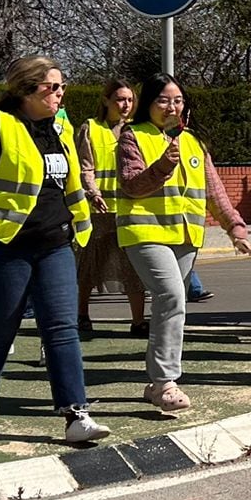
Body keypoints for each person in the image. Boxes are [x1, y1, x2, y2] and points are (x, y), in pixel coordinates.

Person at [0, 55, 107, 443]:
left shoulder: (59, 128)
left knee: (61, 328)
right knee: (1, 327)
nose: (60, 94)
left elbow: (66, 183)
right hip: (5, 246)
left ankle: (76, 414)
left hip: (55, 244)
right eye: (53, 87)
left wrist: (79, 225)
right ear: (28, 89)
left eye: (62, 86)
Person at [114, 72, 251, 413]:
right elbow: (131, 185)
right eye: (163, 100)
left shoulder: (192, 142)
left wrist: (235, 227)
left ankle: (155, 383)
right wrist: (162, 166)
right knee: (171, 296)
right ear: (149, 104)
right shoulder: (132, 136)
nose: (171, 107)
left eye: (177, 100)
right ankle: (165, 382)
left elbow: (214, 190)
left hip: (186, 237)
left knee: (172, 305)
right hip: (145, 234)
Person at [75, 78, 149, 337]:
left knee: (133, 268)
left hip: (130, 210)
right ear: (106, 101)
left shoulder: (138, 130)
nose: (125, 105)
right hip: (99, 212)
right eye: (119, 99)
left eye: (129, 99)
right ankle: (81, 315)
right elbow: (85, 167)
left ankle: (138, 321)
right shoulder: (91, 128)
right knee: (88, 266)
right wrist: (92, 193)